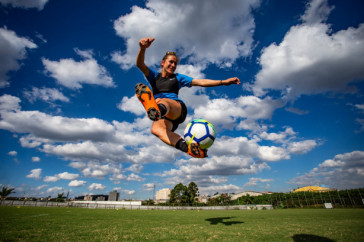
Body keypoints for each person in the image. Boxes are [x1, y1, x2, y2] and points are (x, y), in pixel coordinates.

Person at [135, 37, 240, 158]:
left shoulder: (178, 77)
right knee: (156, 130)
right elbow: (140, 64)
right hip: (165, 116)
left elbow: (200, 82)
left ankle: (155, 107)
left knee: (162, 101)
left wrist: (223, 82)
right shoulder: (154, 76)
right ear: (162, 63)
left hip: (177, 109)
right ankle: (189, 148)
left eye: (175, 63)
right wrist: (142, 49)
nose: (173, 65)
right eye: (171, 62)